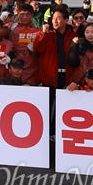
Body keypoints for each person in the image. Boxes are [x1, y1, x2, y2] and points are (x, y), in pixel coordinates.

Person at [32, 8, 78, 138]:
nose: (55, 21)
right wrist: (43, 33)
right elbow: (37, 48)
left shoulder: (73, 35)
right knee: (46, 107)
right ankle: (44, 133)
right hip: (49, 76)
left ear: (66, 20)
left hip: (67, 76)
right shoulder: (48, 33)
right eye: (53, 18)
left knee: (63, 107)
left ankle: (56, 132)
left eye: (58, 18)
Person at [8, 4, 39, 85]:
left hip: (32, 67)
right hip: (15, 65)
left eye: (27, 14)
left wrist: (35, 49)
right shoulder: (11, 28)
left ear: (32, 15)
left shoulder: (37, 29)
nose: (24, 17)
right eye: (22, 14)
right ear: (18, 14)